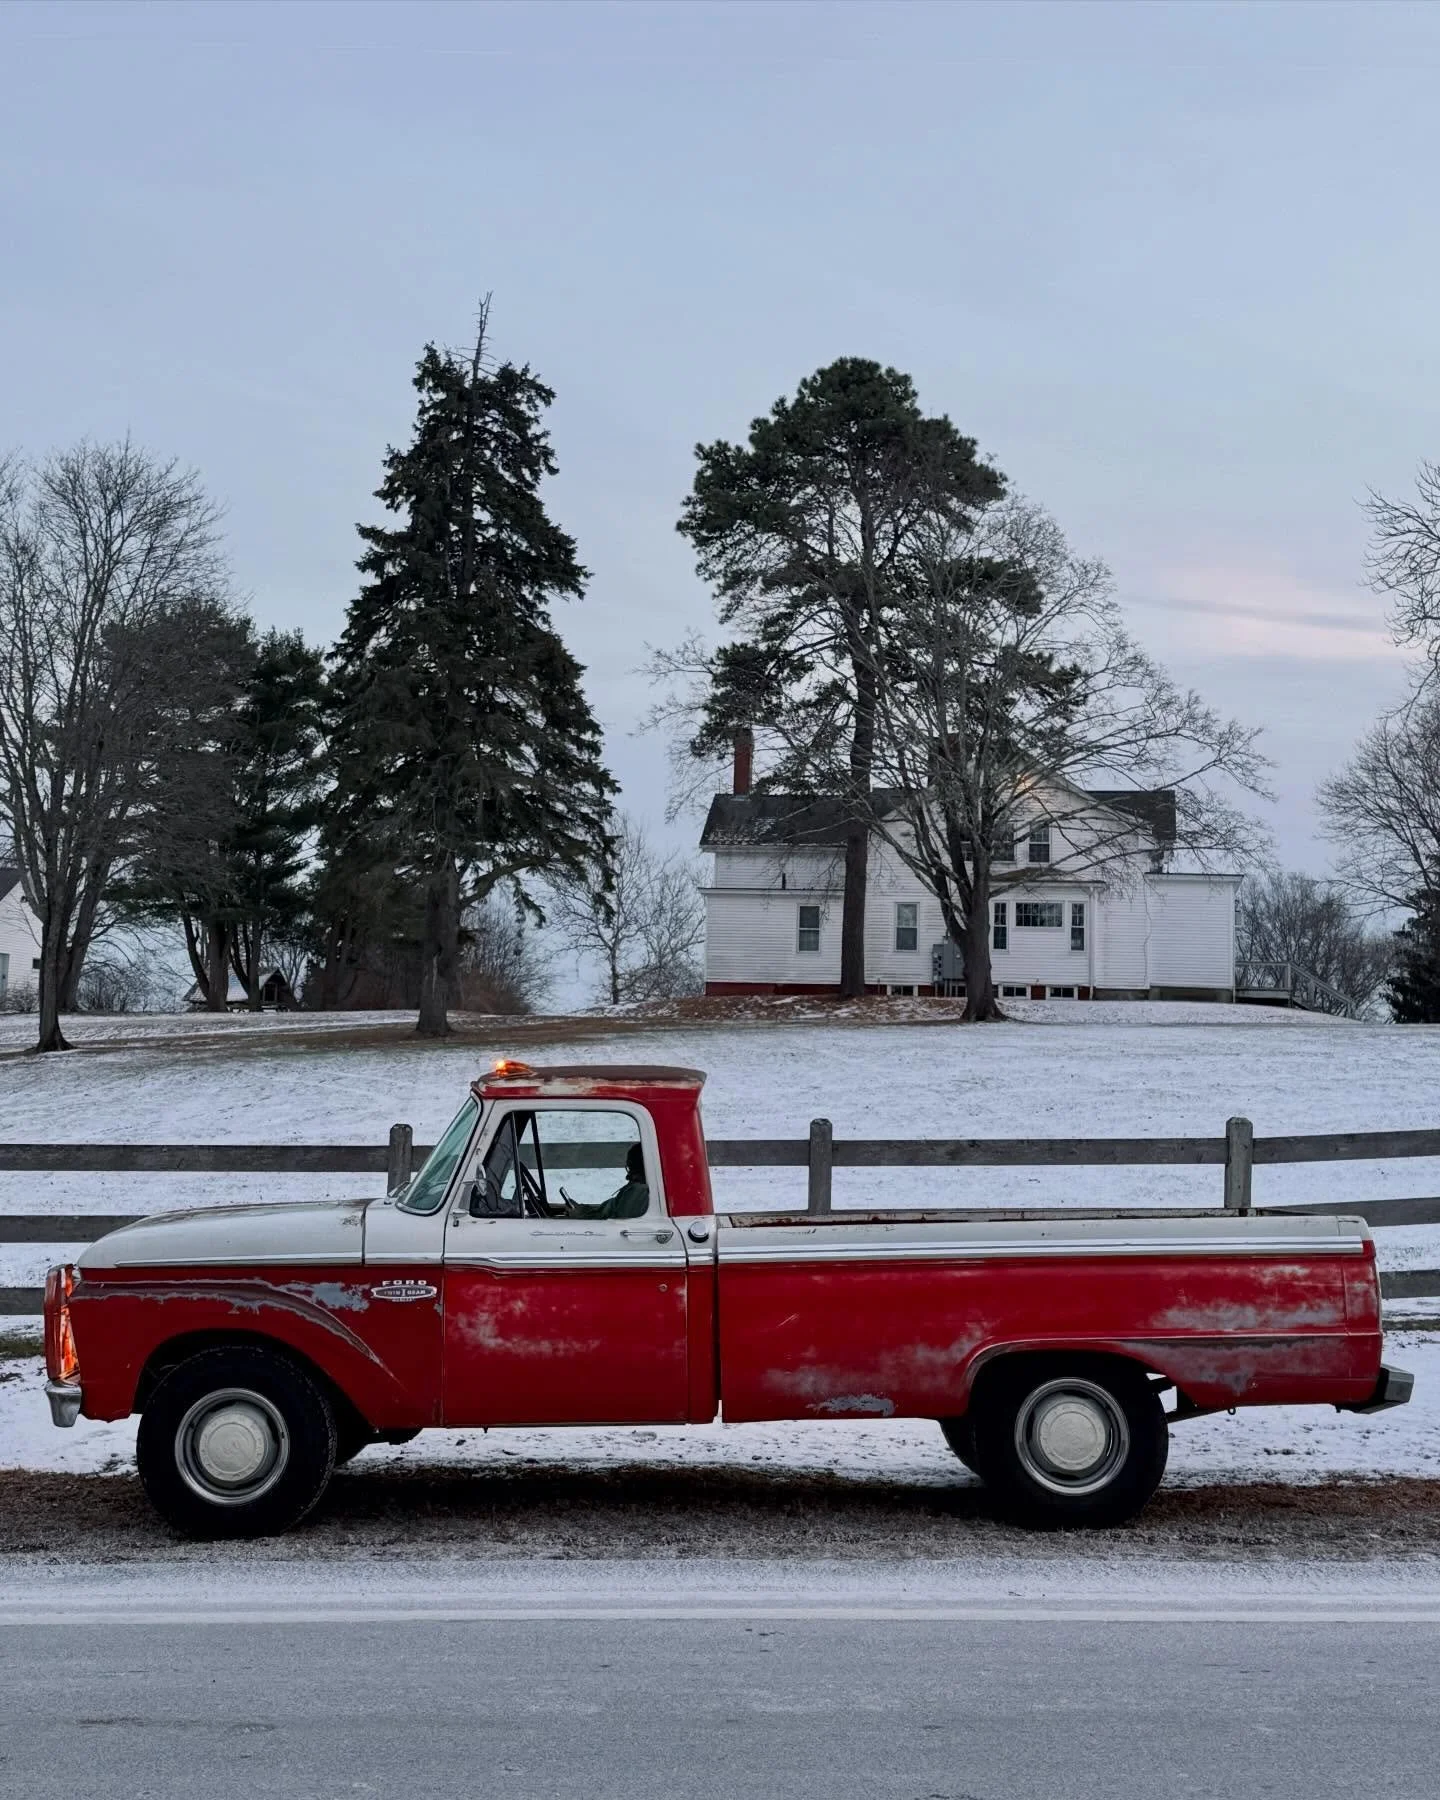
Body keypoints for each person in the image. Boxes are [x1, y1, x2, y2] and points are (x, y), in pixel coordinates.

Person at [563, 1143, 649, 1220]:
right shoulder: (634, 1191)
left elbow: (616, 1223)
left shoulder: (638, 1191)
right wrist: (582, 1209)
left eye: (630, 1167)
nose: (628, 1176)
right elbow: (605, 1211)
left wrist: (580, 1216)